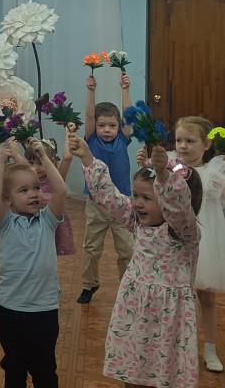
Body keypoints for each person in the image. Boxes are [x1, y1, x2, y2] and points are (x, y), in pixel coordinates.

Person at [72, 131, 203, 388]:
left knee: (164, 374)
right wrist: (87, 157)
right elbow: (110, 197)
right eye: (136, 195)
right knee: (131, 371)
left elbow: (178, 209)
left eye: (147, 198)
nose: (137, 203)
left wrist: (164, 177)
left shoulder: (185, 232)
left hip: (168, 319)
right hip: (135, 311)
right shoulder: (137, 223)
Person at [0, 136, 66, 388]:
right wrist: (0, 163)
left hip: (44, 310)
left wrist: (43, 157)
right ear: (7, 198)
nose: (33, 194)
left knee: (45, 370)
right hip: (10, 309)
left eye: (36, 188)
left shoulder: (48, 220)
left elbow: (61, 190)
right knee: (14, 368)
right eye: (23, 190)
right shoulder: (5, 224)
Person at [173, 116, 225, 373]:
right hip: (177, 240)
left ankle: (210, 348)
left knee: (206, 297)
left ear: (206, 144)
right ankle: (178, 347)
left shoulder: (214, 170)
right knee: (176, 297)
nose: (183, 146)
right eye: (179, 140)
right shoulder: (173, 167)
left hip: (206, 240)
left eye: (190, 141)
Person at [78, 72, 135, 304]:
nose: (107, 130)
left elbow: (129, 116)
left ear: (119, 126)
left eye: (112, 125)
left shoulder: (123, 139)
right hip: (96, 204)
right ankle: (89, 284)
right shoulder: (91, 139)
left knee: (127, 250)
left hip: (122, 204)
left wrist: (125, 89)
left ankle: (128, 288)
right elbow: (89, 115)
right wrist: (91, 91)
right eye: (102, 125)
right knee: (92, 248)